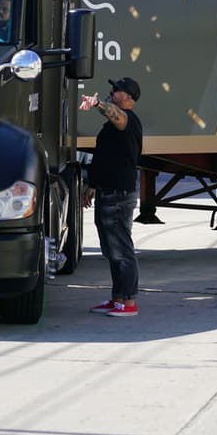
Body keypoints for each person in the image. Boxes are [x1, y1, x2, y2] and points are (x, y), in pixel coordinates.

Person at [81, 77, 144, 317]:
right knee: (111, 249)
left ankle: (128, 302)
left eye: (116, 90)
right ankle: (117, 299)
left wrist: (98, 103)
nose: (112, 91)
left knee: (121, 249)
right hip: (108, 191)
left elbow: (116, 115)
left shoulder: (127, 120)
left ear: (127, 97)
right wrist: (93, 184)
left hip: (119, 194)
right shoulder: (112, 127)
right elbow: (105, 157)